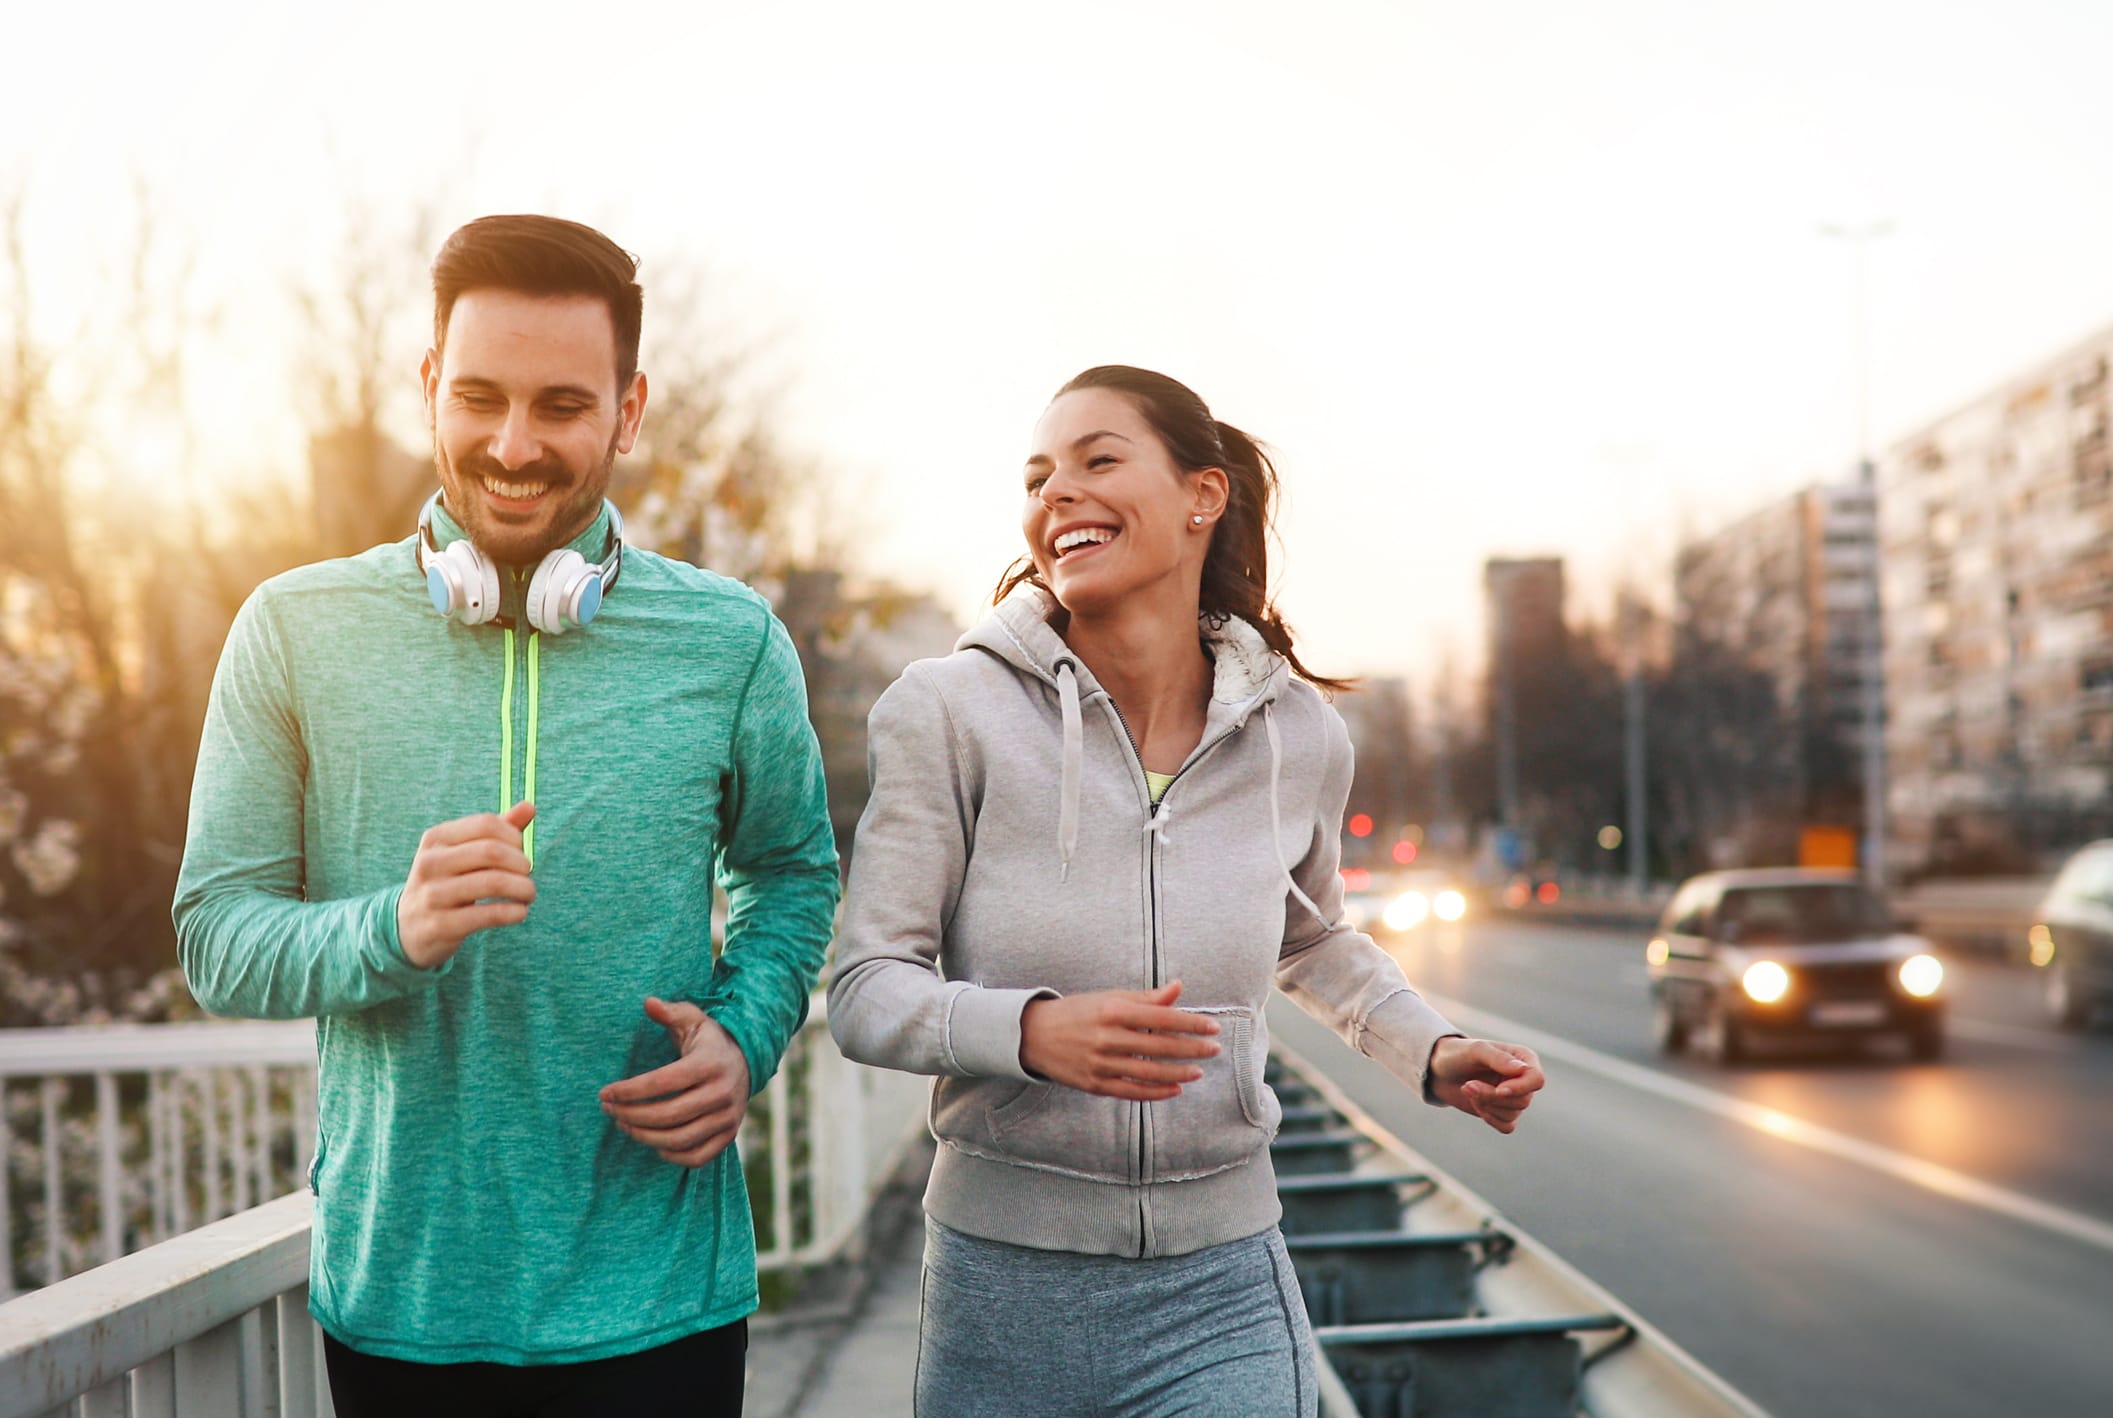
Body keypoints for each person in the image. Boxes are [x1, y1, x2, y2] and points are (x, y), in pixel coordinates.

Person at [173, 215, 839, 1416]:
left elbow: (789, 872)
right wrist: (392, 926)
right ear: (430, 388)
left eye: (562, 406)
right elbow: (218, 934)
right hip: (402, 1305)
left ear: (629, 412)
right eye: (478, 396)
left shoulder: (733, 640)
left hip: (662, 1301)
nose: (513, 444)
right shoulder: (290, 628)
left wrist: (746, 1031)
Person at [828, 365, 1547, 1416]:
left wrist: (1427, 1047)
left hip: (1223, 1279)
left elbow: (1310, 940)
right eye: (1038, 477)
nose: (1056, 493)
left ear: (1200, 495)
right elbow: (865, 987)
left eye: (1097, 460)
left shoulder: (1298, 734)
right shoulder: (948, 711)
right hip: (1004, 1282)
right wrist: (1029, 1031)